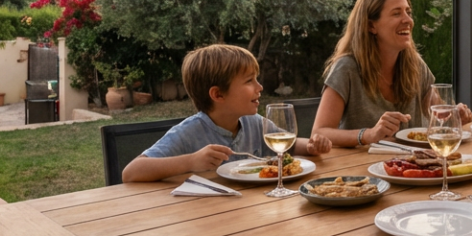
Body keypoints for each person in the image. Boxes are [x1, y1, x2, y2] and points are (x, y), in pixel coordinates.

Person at [122, 44, 330, 182]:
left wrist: (311, 146)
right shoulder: (189, 132)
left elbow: (288, 147)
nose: (260, 87)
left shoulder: (255, 123)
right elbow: (131, 172)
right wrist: (191, 161)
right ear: (218, 95)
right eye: (249, 81)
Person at [312, 0, 472, 147]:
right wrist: (369, 134)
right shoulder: (347, 68)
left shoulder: (416, 65)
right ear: (371, 26)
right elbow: (319, 132)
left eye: (408, 13)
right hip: (361, 169)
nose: (408, 20)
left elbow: (438, 112)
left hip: (414, 166)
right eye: (396, 13)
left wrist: (454, 115)